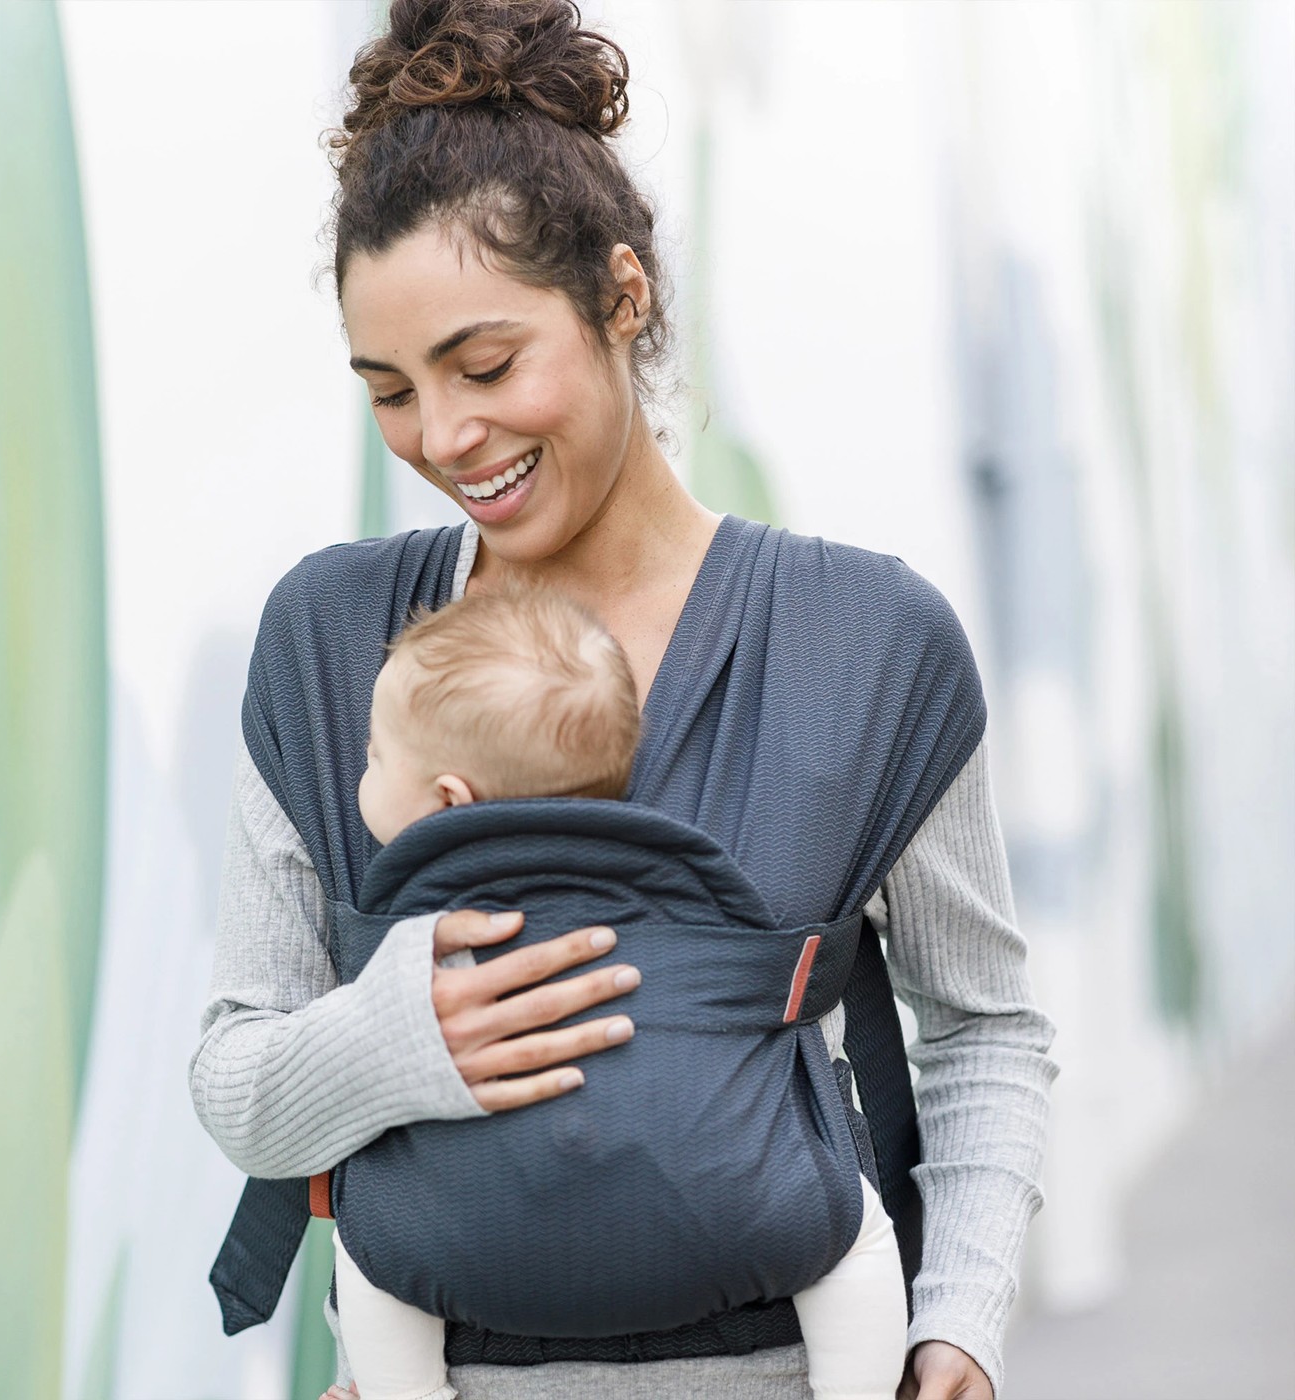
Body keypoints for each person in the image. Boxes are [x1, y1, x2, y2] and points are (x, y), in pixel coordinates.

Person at [189, 2, 1058, 1397]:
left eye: (484, 367)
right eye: (390, 390)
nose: (446, 435)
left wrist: (957, 1318)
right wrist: (401, 1037)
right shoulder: (330, 646)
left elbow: (982, 1026)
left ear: (623, 297)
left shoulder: (865, 647)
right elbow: (238, 1078)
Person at [331, 587, 908, 1400]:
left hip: (460, 1231)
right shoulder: (698, 897)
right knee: (856, 1241)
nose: (359, 773)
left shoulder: (420, 930)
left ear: (448, 802)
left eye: (374, 756)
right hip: (729, 1205)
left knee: (365, 1254)